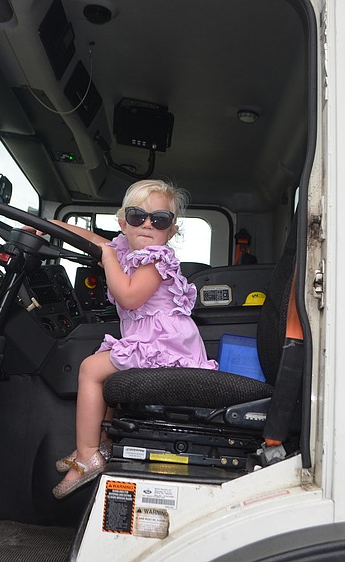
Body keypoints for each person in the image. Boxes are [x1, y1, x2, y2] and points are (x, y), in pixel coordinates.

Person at [51, 179, 218, 499]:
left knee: (90, 369)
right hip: (150, 339)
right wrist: (48, 225)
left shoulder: (156, 259)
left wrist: (109, 259)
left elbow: (128, 298)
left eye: (159, 220)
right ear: (122, 222)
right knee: (108, 368)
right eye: (138, 215)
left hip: (166, 344)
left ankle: (88, 454)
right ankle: (102, 441)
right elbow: (92, 240)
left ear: (170, 231)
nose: (147, 224)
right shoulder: (126, 248)